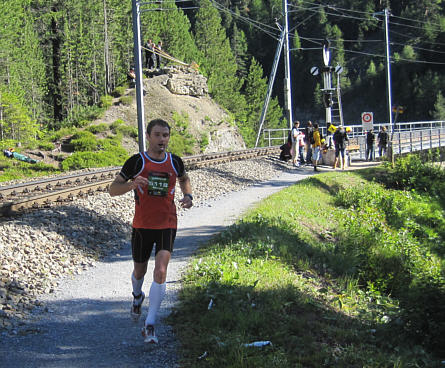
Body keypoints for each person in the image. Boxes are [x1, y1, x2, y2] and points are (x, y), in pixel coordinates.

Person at [109, 118, 193, 344]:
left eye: (165, 135)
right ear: (148, 137)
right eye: (157, 135)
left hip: (167, 223)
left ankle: (150, 325)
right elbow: (112, 190)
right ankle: (137, 296)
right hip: (142, 226)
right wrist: (131, 185)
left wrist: (188, 196)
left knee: (161, 272)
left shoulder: (175, 161)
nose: (162, 139)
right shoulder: (136, 162)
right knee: (139, 271)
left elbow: (185, 178)